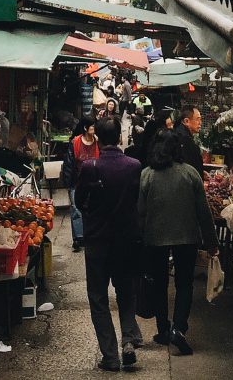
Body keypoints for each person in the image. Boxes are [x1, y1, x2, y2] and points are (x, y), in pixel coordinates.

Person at [137, 130, 217, 356]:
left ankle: (163, 329)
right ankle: (179, 329)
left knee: (160, 283)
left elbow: (140, 213)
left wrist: (140, 240)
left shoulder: (147, 175)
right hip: (187, 237)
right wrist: (211, 242)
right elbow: (204, 212)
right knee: (184, 284)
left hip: (154, 238)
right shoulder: (190, 174)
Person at [74, 118, 143, 372]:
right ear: (120, 139)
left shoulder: (90, 167)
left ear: (99, 141)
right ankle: (128, 340)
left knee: (98, 298)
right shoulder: (134, 166)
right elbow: (137, 200)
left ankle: (110, 356)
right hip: (126, 241)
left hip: (98, 242)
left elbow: (80, 200)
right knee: (126, 293)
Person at [67, 117, 101, 250]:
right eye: (91, 126)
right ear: (85, 128)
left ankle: (91, 235)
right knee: (76, 209)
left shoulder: (99, 142)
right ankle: (78, 238)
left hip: (94, 181)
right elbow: (69, 165)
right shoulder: (75, 142)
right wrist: (69, 184)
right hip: (77, 181)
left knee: (92, 209)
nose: (94, 128)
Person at [174, 106, 204, 171]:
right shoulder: (184, 139)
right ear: (186, 121)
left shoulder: (180, 133)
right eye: (198, 119)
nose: (200, 123)